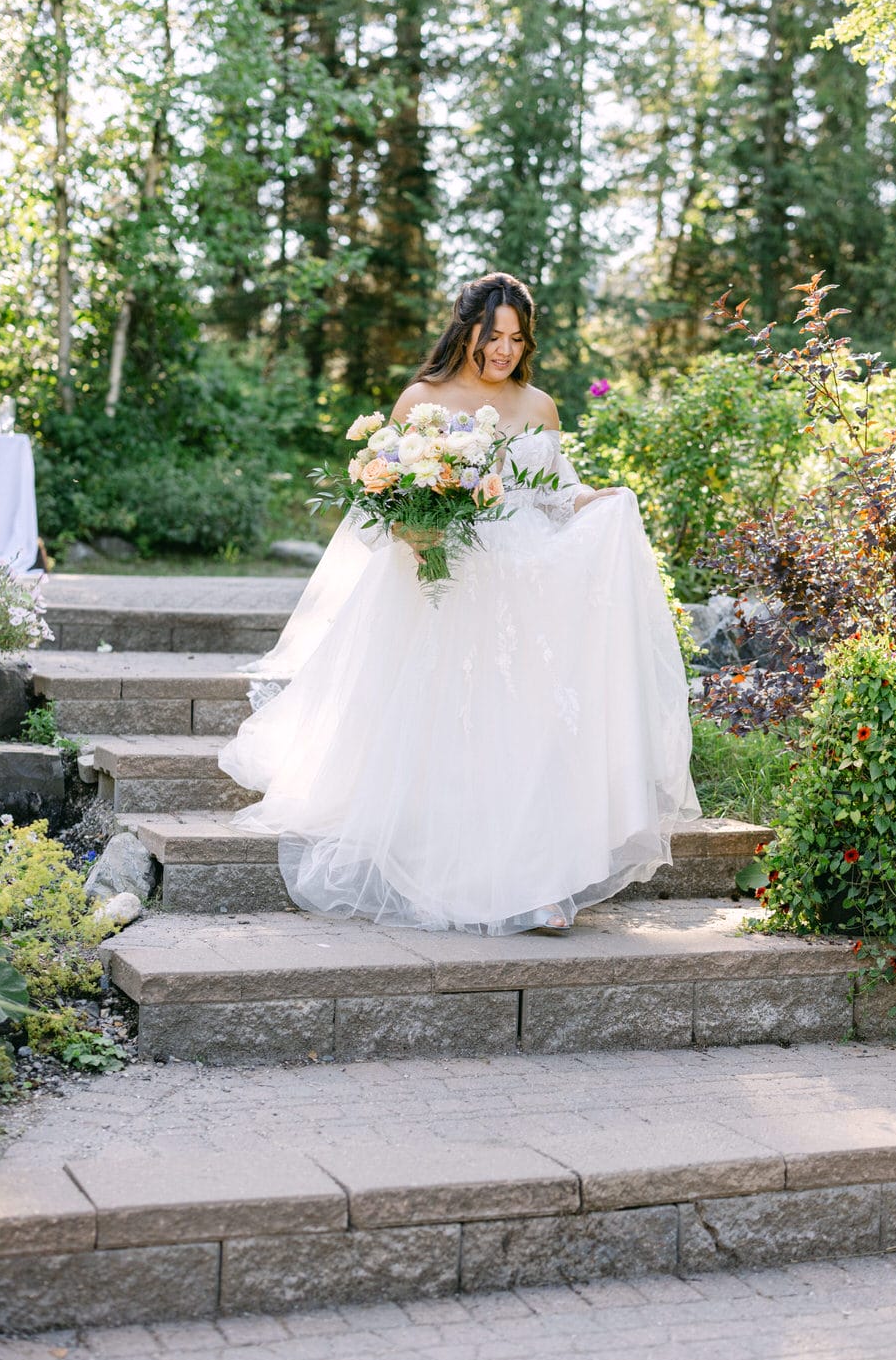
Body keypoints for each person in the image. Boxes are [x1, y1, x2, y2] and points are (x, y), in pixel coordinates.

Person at [218, 271, 700, 935]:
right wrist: (413, 532)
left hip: (525, 584)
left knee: (528, 725)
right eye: (492, 334)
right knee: (455, 726)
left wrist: (599, 500)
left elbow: (555, 493)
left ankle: (539, 881)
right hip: (449, 578)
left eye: (516, 337)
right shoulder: (423, 400)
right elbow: (383, 496)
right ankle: (453, 866)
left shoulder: (540, 406)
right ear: (465, 328)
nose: (504, 349)